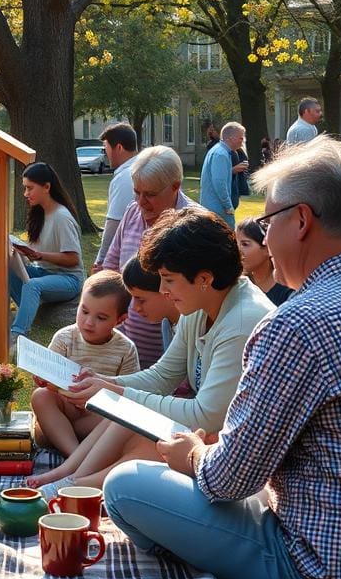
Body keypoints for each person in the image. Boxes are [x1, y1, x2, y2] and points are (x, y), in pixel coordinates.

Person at [104, 136, 341, 579]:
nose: (261, 240)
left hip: (320, 568)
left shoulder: (296, 324)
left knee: (125, 487)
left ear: (300, 221)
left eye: (266, 222)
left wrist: (192, 454)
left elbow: (227, 481)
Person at [51, 209, 274, 493]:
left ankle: (75, 487)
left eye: (168, 279)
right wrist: (107, 385)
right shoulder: (202, 302)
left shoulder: (242, 322)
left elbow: (206, 416)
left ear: (204, 278)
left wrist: (117, 393)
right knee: (132, 412)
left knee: (147, 431)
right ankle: (70, 480)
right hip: (209, 442)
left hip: (234, 463)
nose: (163, 290)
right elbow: (162, 376)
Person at [27, 271, 139, 487]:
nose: (88, 322)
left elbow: (128, 396)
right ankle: (76, 456)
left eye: (101, 318)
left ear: (120, 319)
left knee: (123, 416)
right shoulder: (65, 338)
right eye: (84, 311)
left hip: (96, 419)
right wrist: (42, 378)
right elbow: (47, 379)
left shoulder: (126, 349)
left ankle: (76, 459)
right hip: (65, 415)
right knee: (41, 396)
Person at [102, 145, 193, 368]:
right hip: (124, 350)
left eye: (150, 194)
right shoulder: (132, 212)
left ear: (175, 187)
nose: (141, 201)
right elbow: (111, 269)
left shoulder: (194, 225)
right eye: (136, 192)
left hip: (170, 359)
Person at [9, 162, 84, 346]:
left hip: (69, 279)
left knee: (32, 286)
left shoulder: (61, 217)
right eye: (25, 188)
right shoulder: (40, 213)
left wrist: (39, 255)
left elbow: (72, 259)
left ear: (47, 187)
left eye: (29, 188)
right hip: (44, 272)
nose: (26, 194)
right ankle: (28, 313)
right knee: (6, 272)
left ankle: (18, 334)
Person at [92, 124, 139, 272]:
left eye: (106, 147)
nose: (105, 153)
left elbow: (114, 223)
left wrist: (101, 261)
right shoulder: (138, 169)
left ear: (118, 148)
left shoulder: (126, 177)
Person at [235, 217, 293, 305]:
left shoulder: (288, 291)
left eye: (245, 244)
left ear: (267, 248)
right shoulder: (237, 283)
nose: (237, 250)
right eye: (236, 243)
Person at [199, 121, 245, 229]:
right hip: (218, 210)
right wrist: (228, 206)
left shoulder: (221, 152)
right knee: (226, 241)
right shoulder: (221, 154)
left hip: (215, 209)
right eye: (241, 138)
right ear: (230, 138)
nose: (242, 142)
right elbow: (219, 183)